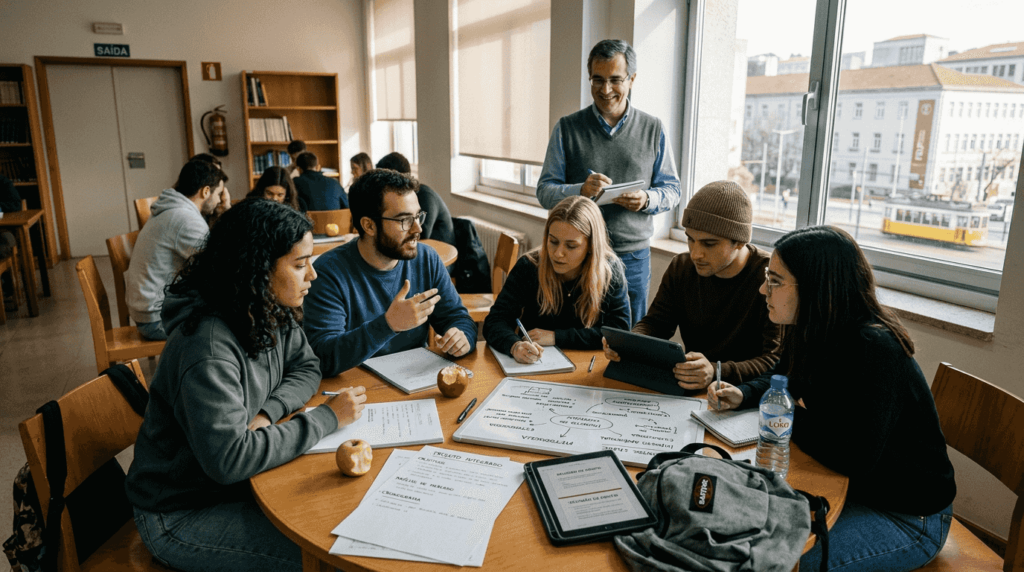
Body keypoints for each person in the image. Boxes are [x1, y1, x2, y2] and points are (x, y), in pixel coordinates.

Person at [125, 200, 367, 572]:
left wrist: (268, 412)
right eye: (300, 265)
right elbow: (230, 459)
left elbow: (306, 366)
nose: (312, 276)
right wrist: (325, 419)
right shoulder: (206, 348)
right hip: (180, 513)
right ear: (257, 268)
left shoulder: (263, 306)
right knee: (333, 557)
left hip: (234, 486)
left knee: (341, 519)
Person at [709, 226, 956, 572]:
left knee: (769, 564)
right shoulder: (812, 326)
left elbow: (852, 456)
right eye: (768, 277)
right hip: (855, 491)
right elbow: (785, 381)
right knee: (733, 533)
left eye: (776, 281)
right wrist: (747, 394)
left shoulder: (875, 351)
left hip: (909, 516)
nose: (763, 288)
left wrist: (788, 415)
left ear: (814, 289)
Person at [537, 39, 681, 327]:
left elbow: (672, 190)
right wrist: (581, 190)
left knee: (628, 337)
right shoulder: (567, 128)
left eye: (615, 80)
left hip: (633, 257)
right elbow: (545, 191)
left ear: (632, 79)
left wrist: (647, 199)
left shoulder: (653, 128)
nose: (605, 90)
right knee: (576, 333)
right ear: (589, 78)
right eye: (597, 80)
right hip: (579, 256)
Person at [605, 181, 780, 389]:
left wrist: (717, 372)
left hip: (747, 396)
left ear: (739, 241)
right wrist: (631, 344)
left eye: (709, 244)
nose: (696, 254)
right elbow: (656, 324)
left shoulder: (771, 278)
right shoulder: (682, 266)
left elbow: (774, 361)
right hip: (692, 389)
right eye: (690, 239)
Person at [303, 168, 477, 377]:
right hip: (355, 388)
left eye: (418, 216)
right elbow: (323, 357)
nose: (418, 229)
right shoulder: (328, 273)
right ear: (369, 225)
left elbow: (457, 317)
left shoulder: (427, 259)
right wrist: (388, 325)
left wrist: (461, 337)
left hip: (414, 381)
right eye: (404, 220)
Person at [483, 196, 630, 363]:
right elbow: (495, 321)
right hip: (536, 365)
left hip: (587, 366)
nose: (558, 253)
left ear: (590, 246)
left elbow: (619, 332)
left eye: (571, 246)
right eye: (553, 241)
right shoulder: (529, 267)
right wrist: (514, 345)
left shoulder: (610, 270)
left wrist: (556, 337)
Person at [126, 159, 229, 340]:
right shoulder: (185, 219)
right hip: (157, 319)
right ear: (206, 191)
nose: (220, 199)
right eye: (219, 193)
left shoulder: (172, 208)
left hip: (147, 311)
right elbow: (218, 266)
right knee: (229, 318)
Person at [375, 152, 455, 245]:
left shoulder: (425, 195)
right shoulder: (400, 199)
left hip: (440, 252)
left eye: (383, 181)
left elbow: (421, 233)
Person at [0, 174, 21, 311]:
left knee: (3, 244)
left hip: (3, 230)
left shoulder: (3, 183)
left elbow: (16, 205)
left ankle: (6, 288)